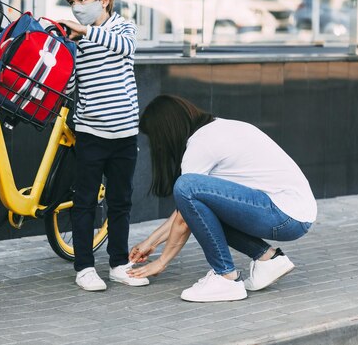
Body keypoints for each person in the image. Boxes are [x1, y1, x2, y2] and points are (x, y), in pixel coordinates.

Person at [127, 95, 317, 302]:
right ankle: (268, 259)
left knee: (186, 185)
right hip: (294, 213)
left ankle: (225, 278)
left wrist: (161, 262)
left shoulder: (200, 145)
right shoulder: (220, 128)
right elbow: (188, 210)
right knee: (197, 200)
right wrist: (151, 242)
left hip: (282, 215)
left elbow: (184, 215)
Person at [58, 0, 148, 291]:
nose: (76, 7)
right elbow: (71, 85)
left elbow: (125, 48)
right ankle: (84, 267)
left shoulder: (123, 28)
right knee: (84, 203)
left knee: (120, 201)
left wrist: (85, 32)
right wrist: (65, 51)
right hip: (90, 134)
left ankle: (119, 264)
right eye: (72, 2)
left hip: (124, 135)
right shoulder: (78, 42)